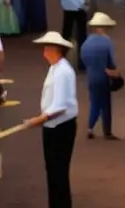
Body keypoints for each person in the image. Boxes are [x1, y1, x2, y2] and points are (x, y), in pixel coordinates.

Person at [25, 31, 79, 208]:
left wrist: (38, 120)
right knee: (53, 170)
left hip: (60, 126)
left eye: (46, 48)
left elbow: (60, 106)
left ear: (55, 50)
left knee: (58, 171)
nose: (44, 52)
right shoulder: (55, 68)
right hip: (52, 125)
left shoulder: (62, 71)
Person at [79, 12, 119, 140]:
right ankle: (107, 131)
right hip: (104, 76)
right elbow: (111, 61)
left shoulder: (86, 42)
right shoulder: (107, 41)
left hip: (91, 76)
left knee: (94, 103)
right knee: (105, 104)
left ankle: (90, 127)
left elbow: (83, 59)